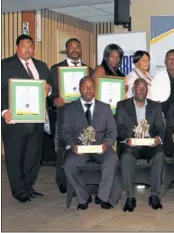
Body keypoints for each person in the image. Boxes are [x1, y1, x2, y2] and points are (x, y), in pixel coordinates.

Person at [1, 34, 52, 203]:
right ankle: (18, 190)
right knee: (15, 157)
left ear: (34, 49)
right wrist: (3, 111)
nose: (27, 48)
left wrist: (49, 89)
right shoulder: (5, 65)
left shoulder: (41, 66)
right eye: (24, 45)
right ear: (17, 48)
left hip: (36, 121)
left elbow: (51, 87)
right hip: (14, 121)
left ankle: (28, 187)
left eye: (30, 46)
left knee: (33, 156)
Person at [61, 77, 118, 210]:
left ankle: (102, 197)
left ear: (95, 89)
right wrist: (72, 145)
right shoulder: (69, 109)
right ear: (79, 89)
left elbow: (112, 131)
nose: (88, 90)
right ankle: (83, 196)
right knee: (69, 165)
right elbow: (65, 132)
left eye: (91, 87)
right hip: (79, 149)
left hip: (100, 148)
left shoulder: (105, 108)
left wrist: (106, 144)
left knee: (112, 158)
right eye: (85, 87)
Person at [48, 38, 91, 194]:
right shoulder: (55, 69)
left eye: (77, 46)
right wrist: (55, 100)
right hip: (64, 114)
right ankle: (62, 180)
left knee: (83, 143)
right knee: (62, 146)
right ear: (66, 50)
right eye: (71, 47)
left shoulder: (88, 70)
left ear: (81, 49)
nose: (74, 49)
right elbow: (50, 94)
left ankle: (81, 176)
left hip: (83, 114)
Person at [115, 78, 166, 212]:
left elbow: (161, 127)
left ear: (147, 91)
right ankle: (130, 196)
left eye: (144, 88)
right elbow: (119, 127)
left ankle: (154, 195)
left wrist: (158, 138)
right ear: (133, 90)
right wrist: (127, 139)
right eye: (138, 88)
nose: (141, 90)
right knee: (126, 156)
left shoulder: (155, 106)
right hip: (131, 144)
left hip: (150, 144)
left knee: (160, 154)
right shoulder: (122, 105)